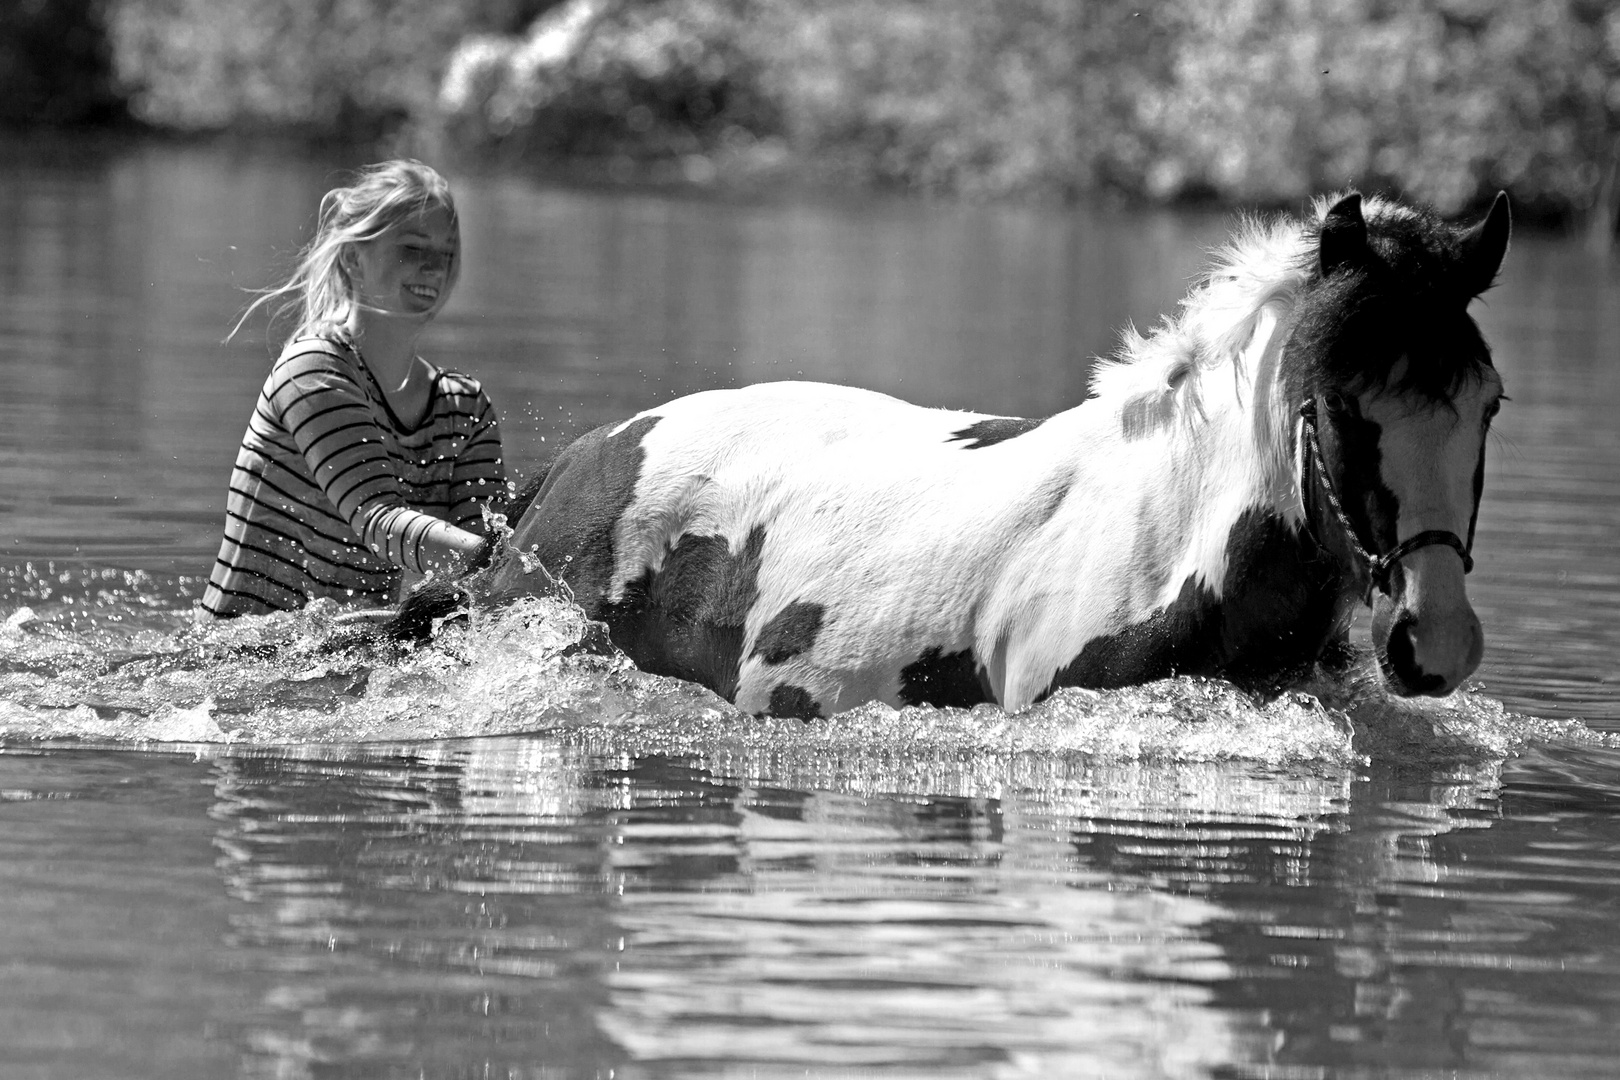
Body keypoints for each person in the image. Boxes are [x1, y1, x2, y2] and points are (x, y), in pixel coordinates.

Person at [200, 160, 506, 618]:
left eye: (445, 254)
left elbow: (482, 577)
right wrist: (512, 565)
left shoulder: (465, 409)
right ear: (352, 259)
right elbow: (378, 521)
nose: (433, 268)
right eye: (412, 248)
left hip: (352, 662)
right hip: (234, 660)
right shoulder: (313, 368)